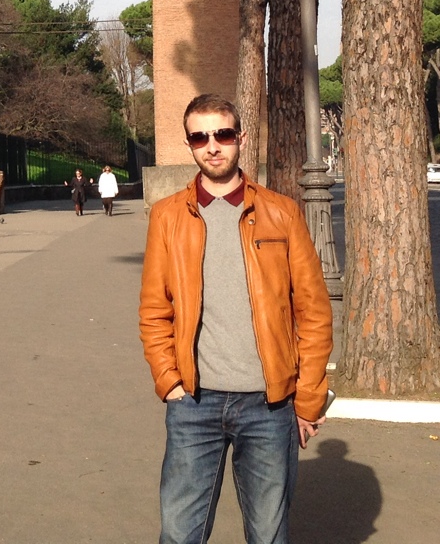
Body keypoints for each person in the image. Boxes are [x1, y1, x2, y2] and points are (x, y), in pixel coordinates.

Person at [139, 93, 333, 544]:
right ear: (189, 145)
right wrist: (168, 380)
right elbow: (154, 309)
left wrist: (308, 398)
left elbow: (313, 311)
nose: (212, 146)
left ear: (241, 138)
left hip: (270, 406)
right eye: (199, 137)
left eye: (223, 134)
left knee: (268, 535)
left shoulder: (281, 212)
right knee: (179, 534)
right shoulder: (168, 216)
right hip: (193, 403)